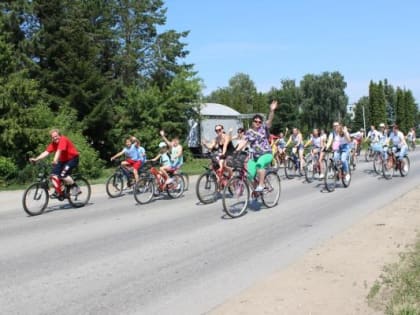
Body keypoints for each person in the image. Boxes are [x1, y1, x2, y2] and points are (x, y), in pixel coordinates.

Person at [235, 100, 278, 192]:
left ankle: (261, 185)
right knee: (249, 176)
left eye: (259, 121)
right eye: (256, 121)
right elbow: (243, 141)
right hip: (254, 157)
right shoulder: (249, 132)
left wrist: (272, 110)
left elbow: (270, 120)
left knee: (259, 165)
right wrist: (236, 150)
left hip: (266, 154)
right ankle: (257, 191)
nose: (258, 123)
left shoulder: (264, 128)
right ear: (252, 122)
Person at [29, 129, 80, 199]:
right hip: (63, 160)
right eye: (53, 137)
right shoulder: (53, 144)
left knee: (63, 175)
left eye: (56, 136)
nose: (54, 138)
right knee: (53, 175)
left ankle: (75, 187)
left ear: (59, 135)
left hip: (72, 159)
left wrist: (55, 160)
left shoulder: (63, 139)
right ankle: (58, 191)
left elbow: (59, 151)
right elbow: (46, 152)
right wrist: (36, 159)